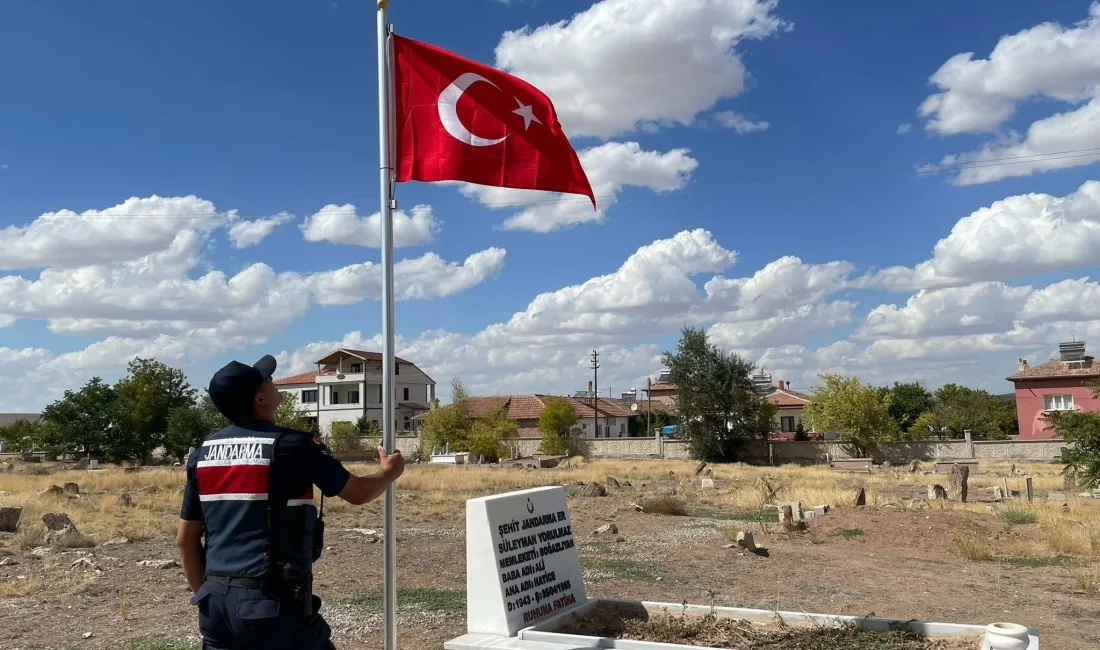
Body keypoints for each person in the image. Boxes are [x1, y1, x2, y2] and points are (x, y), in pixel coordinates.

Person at [177, 354, 404, 650]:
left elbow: (185, 540)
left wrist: (207, 596)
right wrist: (389, 472)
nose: (274, 382)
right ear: (259, 398)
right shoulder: (294, 446)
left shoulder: (202, 456)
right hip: (270, 604)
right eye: (268, 380)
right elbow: (358, 492)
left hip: (217, 604)